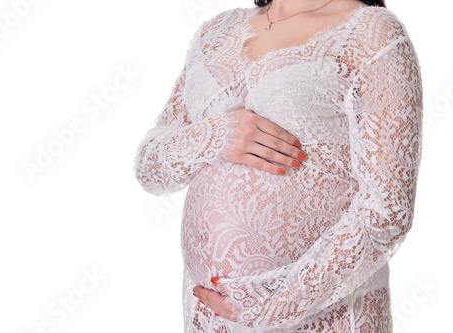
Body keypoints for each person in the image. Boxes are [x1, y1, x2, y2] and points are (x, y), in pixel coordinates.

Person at [133, 0, 423, 331]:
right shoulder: (217, 31)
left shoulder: (370, 30)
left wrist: (277, 306)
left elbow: (388, 209)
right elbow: (149, 169)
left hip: (328, 315)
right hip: (212, 318)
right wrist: (215, 136)